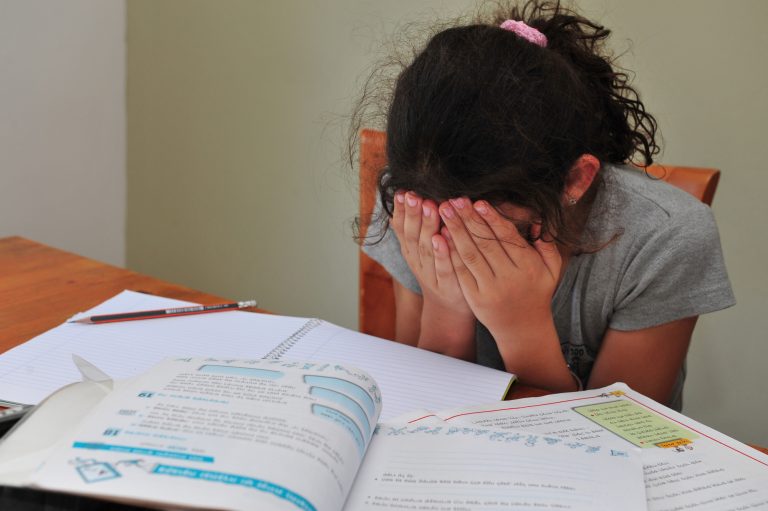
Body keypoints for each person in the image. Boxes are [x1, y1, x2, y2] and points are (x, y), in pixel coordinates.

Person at [358, 0, 735, 411]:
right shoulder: (413, 201)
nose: (454, 239)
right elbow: (414, 410)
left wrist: (522, 328)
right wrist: (445, 309)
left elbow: (619, 437)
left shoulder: (665, 236)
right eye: (441, 219)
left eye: (483, 222)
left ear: (575, 180)